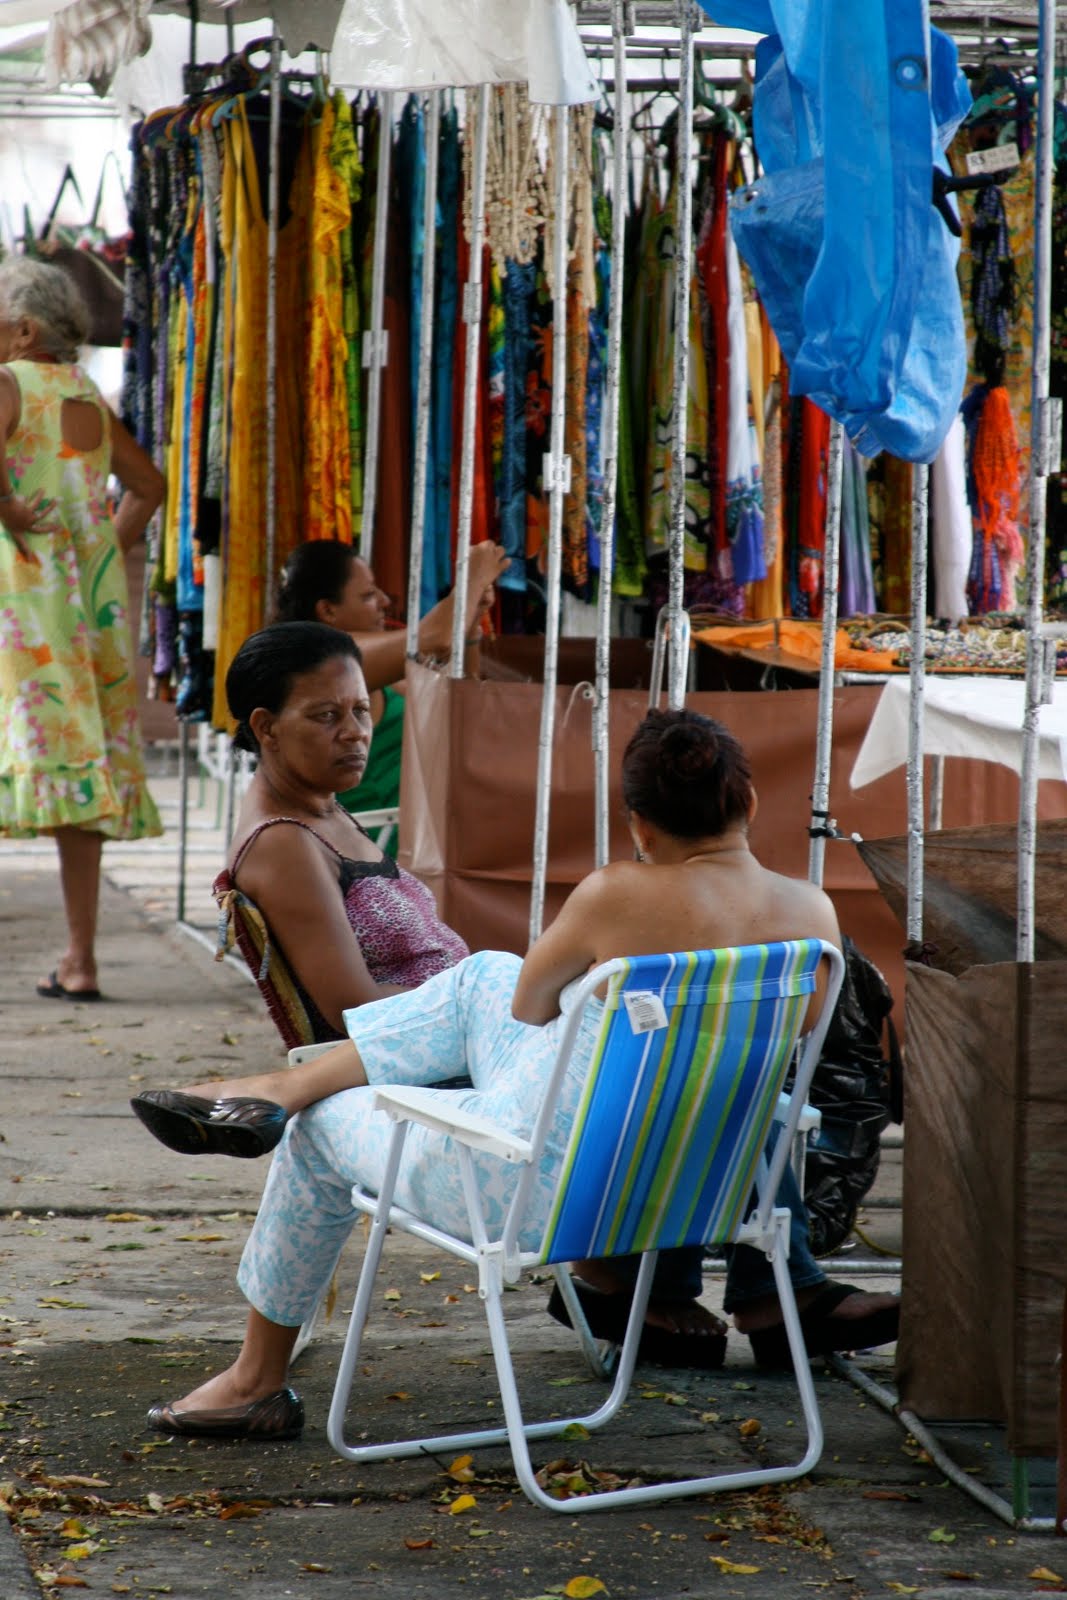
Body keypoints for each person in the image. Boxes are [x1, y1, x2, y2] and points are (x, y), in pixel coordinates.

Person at [131, 671, 898, 1439]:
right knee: (482, 977)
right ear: (750, 805)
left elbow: (530, 1007)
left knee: (337, 1109)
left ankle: (254, 1370)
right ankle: (282, 1088)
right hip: (707, 1184)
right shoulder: (811, 916)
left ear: (638, 824)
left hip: (545, 1199)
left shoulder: (614, 895)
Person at [0, 257, 165, 1000]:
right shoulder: (86, 397)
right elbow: (148, 486)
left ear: (24, 329)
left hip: (21, 607)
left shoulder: (9, 384)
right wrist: (100, 550)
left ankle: (75, 959)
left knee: (23, 745)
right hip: (85, 610)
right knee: (75, 774)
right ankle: (80, 957)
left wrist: (8, 514)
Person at [273, 538, 508, 853]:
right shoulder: (318, 662)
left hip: (405, 858)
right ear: (327, 609)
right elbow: (435, 640)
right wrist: (473, 579)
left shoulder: (384, 674)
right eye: (369, 595)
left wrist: (471, 628)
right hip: (345, 861)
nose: (384, 601)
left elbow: (460, 706)